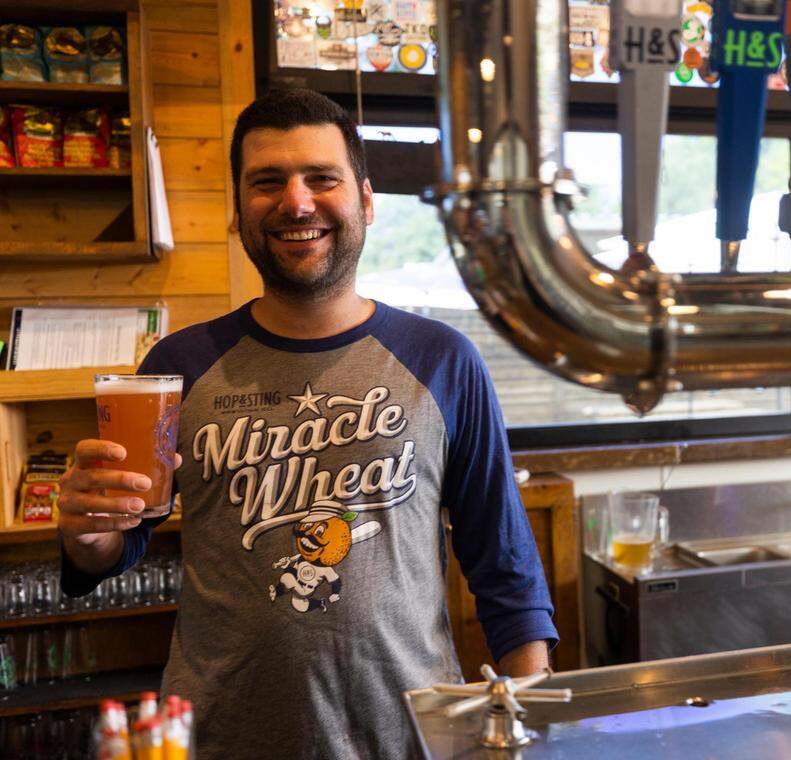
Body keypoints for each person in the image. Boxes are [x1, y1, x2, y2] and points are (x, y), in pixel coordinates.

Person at [57, 88, 558, 759]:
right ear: (238, 212)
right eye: (268, 182)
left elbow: (505, 563)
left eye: (322, 178)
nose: (297, 202)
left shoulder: (443, 360)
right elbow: (123, 540)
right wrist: (87, 537)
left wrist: (528, 729)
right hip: (222, 740)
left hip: (408, 738)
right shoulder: (179, 365)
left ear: (367, 201)